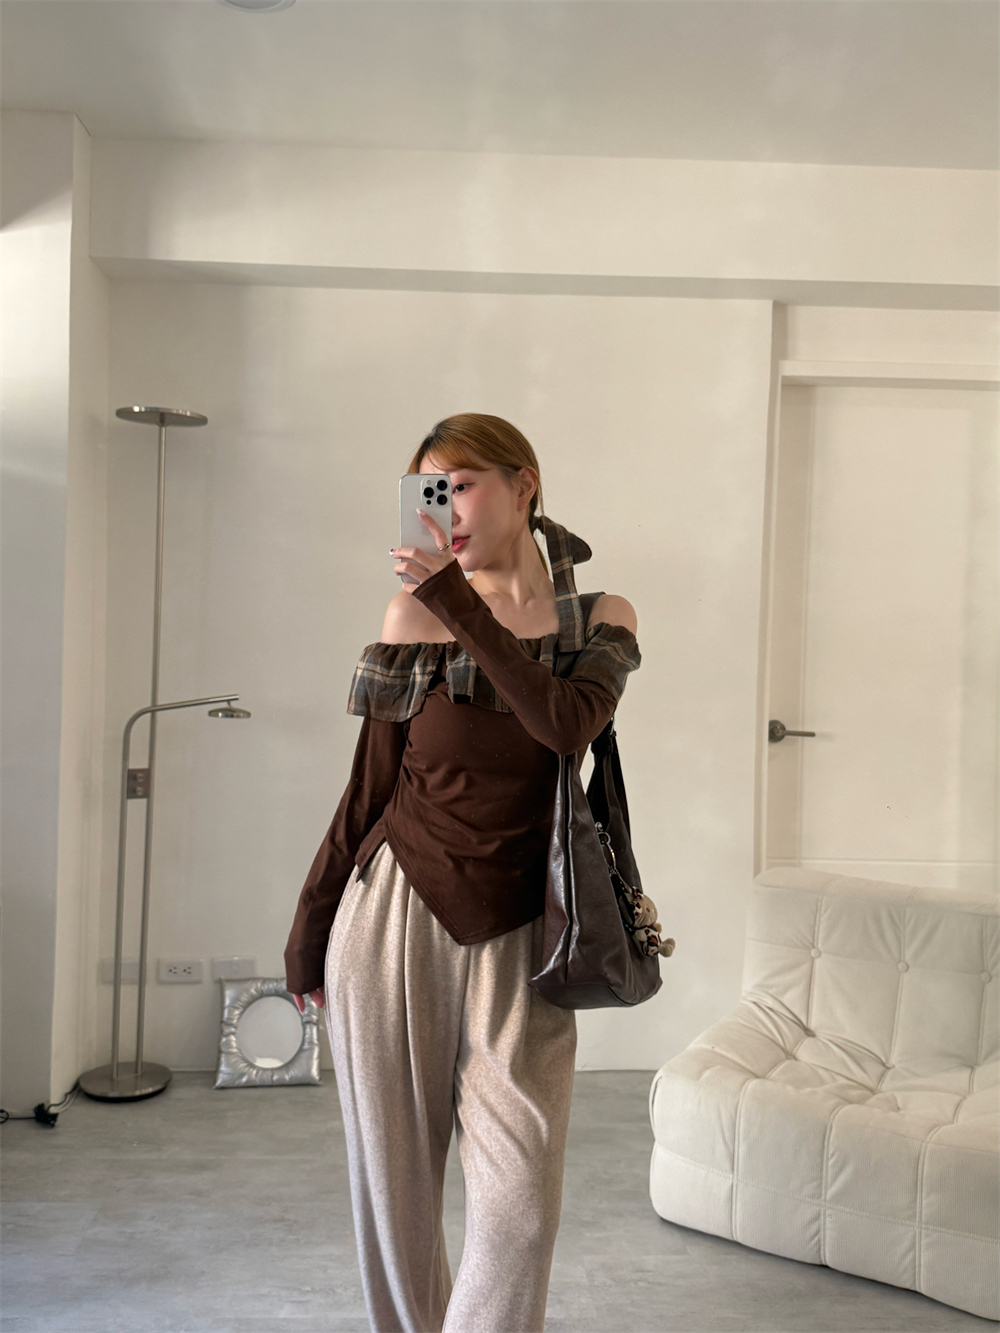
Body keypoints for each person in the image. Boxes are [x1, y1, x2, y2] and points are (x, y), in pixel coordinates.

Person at [284, 413, 640, 1333]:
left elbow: (563, 724)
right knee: (396, 1203)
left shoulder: (600, 618)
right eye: (430, 490)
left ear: (525, 484)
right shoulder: (412, 616)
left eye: (463, 484)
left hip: (527, 935)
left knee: (520, 1213)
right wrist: (308, 927)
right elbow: (367, 788)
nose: (446, 510)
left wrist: (458, 602)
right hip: (392, 919)